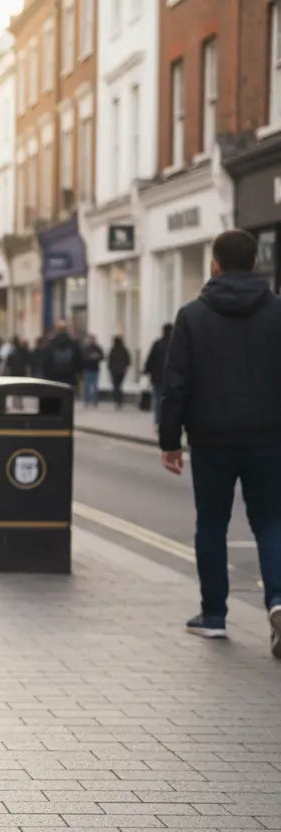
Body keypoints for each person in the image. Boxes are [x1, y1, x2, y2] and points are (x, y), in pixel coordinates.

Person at [159, 229, 281, 657]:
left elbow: (176, 385)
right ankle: (279, 602)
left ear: (214, 265)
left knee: (212, 523)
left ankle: (213, 617)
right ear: (254, 264)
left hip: (210, 439)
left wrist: (169, 440)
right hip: (269, 437)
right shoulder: (278, 313)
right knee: (271, 523)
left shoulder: (192, 316)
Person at [145, 323, 173, 424]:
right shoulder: (176, 344)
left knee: (159, 399)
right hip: (172, 378)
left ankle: (159, 421)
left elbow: (150, 359)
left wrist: (146, 370)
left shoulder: (158, 344)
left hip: (158, 377)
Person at [41, 320, 83, 388]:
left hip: (53, 379)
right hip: (69, 378)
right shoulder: (73, 344)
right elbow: (79, 361)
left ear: (57, 329)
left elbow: (45, 362)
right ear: (67, 330)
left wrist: (46, 376)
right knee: (67, 397)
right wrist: (79, 374)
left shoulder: (51, 344)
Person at [107, 335, 131, 409]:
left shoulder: (113, 350)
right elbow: (128, 360)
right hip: (122, 371)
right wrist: (125, 367)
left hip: (114, 371)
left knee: (115, 385)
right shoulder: (124, 350)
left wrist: (110, 368)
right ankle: (119, 399)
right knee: (119, 385)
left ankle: (117, 399)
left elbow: (110, 360)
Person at [82, 334, 104, 406]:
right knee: (87, 386)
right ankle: (87, 400)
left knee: (95, 385)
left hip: (95, 369)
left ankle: (95, 400)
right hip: (87, 368)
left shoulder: (97, 348)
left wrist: (97, 356)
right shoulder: (86, 348)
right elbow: (83, 357)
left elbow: (102, 357)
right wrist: (90, 357)